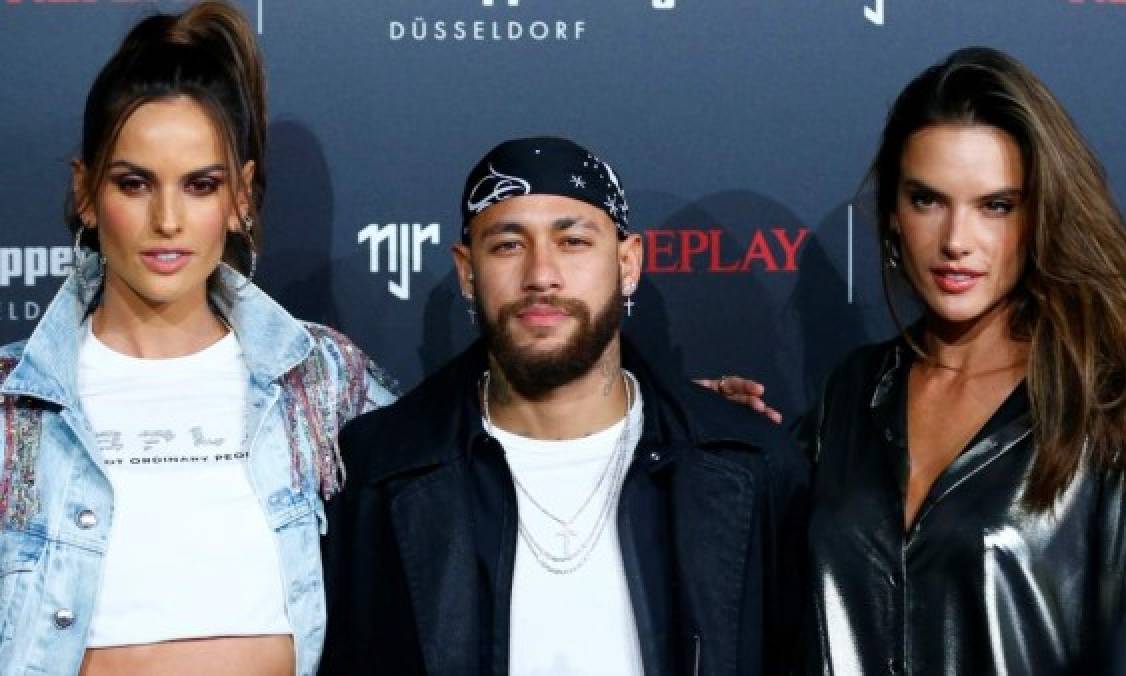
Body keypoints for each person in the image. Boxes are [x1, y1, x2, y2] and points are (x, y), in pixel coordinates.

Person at [0, 3, 397, 674]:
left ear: (241, 198)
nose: (167, 219)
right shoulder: (13, 409)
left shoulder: (325, 380)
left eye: (200, 185)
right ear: (86, 192)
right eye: (134, 183)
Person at [319, 137, 808, 675]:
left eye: (573, 241)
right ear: (467, 271)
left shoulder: (745, 467)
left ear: (627, 263)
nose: (541, 275)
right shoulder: (379, 473)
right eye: (508, 245)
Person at [801, 46, 1126, 675]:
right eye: (927, 200)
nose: (956, 241)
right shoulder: (851, 393)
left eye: (996, 206)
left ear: (1041, 216)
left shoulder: (1108, 412)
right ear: (892, 215)